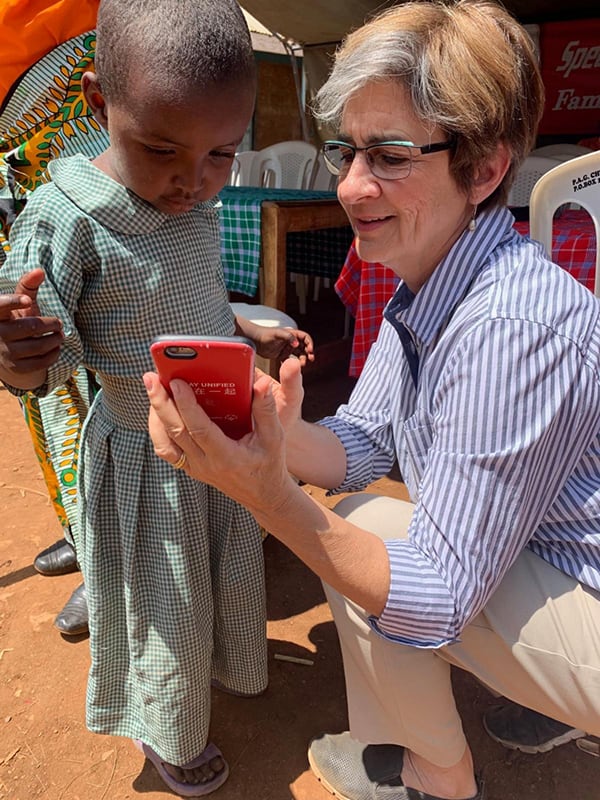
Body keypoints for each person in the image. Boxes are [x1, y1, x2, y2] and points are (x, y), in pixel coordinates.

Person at [143, 2, 600, 799]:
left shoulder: (508, 327)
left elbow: (438, 599)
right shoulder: (434, 279)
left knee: (364, 537)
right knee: (363, 528)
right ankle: (436, 766)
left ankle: (436, 776)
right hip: (544, 551)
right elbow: (364, 440)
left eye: (390, 155)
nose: (353, 186)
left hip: (583, 580)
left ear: (486, 168)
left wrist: (271, 496)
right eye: (347, 150)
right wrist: (276, 437)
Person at [0, 0, 314, 795]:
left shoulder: (198, 203)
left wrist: (248, 332)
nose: (193, 180)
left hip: (221, 441)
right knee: (163, 599)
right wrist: (19, 352)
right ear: (102, 106)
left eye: (220, 154)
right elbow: (43, 369)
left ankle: (212, 675)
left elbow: (194, 300)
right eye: (163, 149)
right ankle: (167, 736)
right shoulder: (65, 217)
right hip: (146, 460)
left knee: (219, 575)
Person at [0, 3, 103, 636]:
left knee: (90, 377)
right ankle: (75, 524)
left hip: (64, 76)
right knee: (36, 384)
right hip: (11, 149)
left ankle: (108, 558)